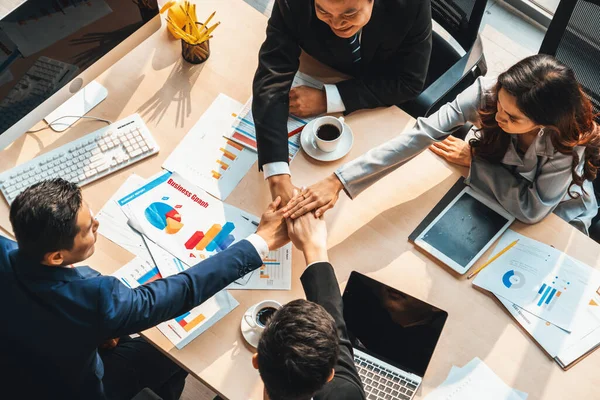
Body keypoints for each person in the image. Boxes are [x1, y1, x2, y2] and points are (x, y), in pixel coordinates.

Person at [0, 178, 288, 400]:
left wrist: (95, 331)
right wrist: (260, 241)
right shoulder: (96, 299)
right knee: (173, 352)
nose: (97, 223)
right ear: (56, 257)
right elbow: (184, 289)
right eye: (88, 229)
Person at [282, 54, 600, 234]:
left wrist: (476, 162)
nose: (499, 116)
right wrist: (339, 180)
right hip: (493, 185)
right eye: (500, 106)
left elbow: (532, 209)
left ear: (545, 123)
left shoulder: (566, 144)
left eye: (513, 118)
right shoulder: (488, 93)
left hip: (557, 217)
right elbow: (421, 134)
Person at [253, 0, 432, 205]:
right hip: (322, 67)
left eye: (349, 14)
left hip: (382, 93)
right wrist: (276, 175)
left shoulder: (412, 4)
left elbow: (409, 82)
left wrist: (328, 98)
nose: (337, 24)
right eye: (323, 11)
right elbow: (272, 74)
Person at [252, 209, 365, 399]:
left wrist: (314, 246)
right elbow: (338, 332)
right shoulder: (347, 395)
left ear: (256, 360)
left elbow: (337, 333)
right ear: (330, 375)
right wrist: (314, 246)